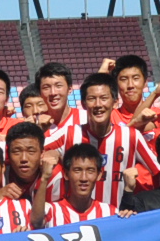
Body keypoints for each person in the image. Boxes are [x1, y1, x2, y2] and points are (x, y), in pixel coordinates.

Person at [42, 71, 150, 207]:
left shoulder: (131, 136)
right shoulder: (68, 134)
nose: (98, 104)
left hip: (119, 216)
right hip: (78, 216)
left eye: (104, 98)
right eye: (92, 99)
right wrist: (51, 154)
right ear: (83, 104)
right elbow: (35, 153)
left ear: (115, 102)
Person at [47, 143, 126, 223]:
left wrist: (129, 218)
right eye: (77, 170)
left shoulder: (111, 214)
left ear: (99, 175)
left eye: (90, 171)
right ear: (66, 174)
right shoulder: (51, 213)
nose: (84, 178)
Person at [34, 61, 82, 128]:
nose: (53, 93)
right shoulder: (34, 125)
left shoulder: (86, 119)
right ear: (40, 92)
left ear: (69, 89)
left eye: (58, 86)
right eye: (46, 87)